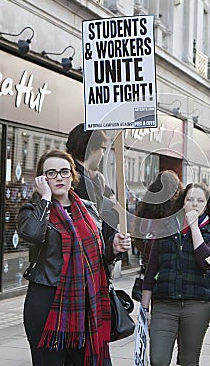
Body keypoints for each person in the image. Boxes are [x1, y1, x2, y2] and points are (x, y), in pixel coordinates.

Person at [17, 149, 131, 366]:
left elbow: (97, 260)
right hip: (47, 301)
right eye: (51, 173)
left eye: (64, 172)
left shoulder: (90, 211)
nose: (59, 177)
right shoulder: (32, 210)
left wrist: (113, 249)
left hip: (85, 303)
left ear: (73, 175)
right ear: (42, 178)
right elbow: (32, 234)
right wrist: (46, 199)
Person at [141, 182, 210, 366]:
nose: (194, 204)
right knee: (158, 359)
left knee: (189, 360)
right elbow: (152, 267)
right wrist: (145, 308)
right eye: (190, 199)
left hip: (196, 305)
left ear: (207, 204)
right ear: (182, 202)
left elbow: (206, 262)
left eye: (200, 200)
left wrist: (194, 227)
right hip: (164, 304)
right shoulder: (167, 226)